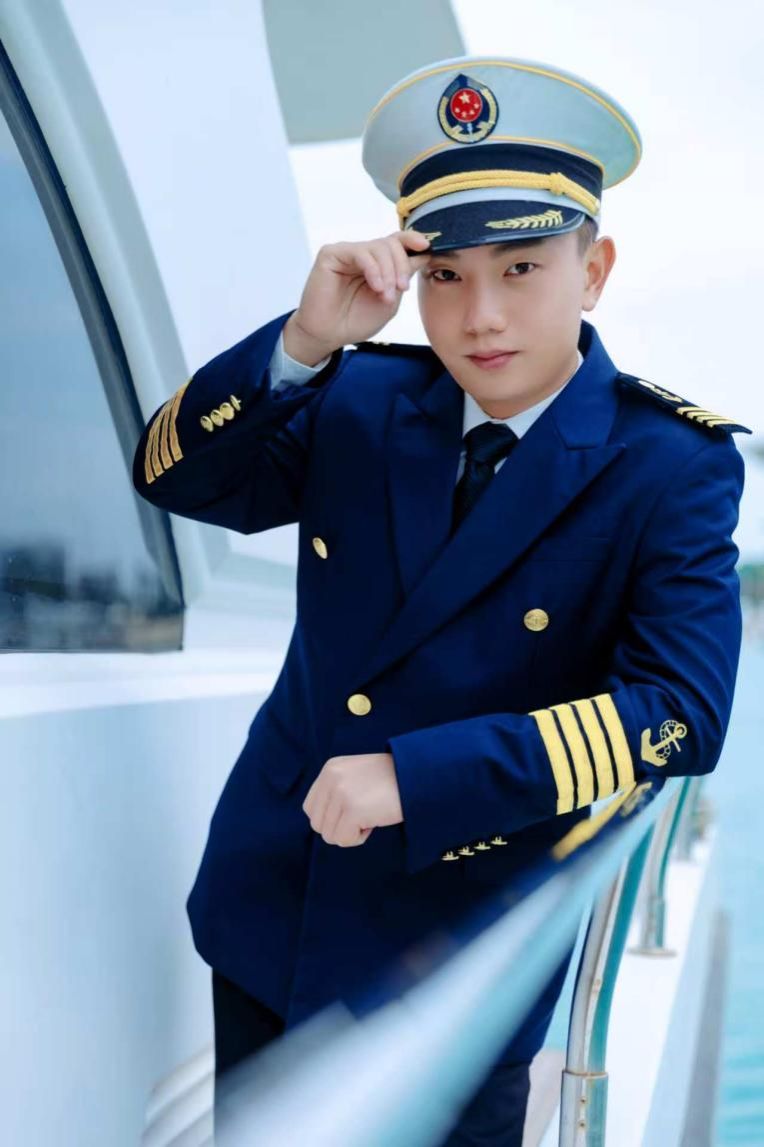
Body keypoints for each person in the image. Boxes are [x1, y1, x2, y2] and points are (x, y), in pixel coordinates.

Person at [132, 55, 749, 1146]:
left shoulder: (668, 463)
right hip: (275, 897)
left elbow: (679, 714)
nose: (479, 315)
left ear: (594, 269)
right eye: (446, 275)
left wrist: (417, 777)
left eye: (521, 268)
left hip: (456, 946)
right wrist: (303, 342)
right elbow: (173, 477)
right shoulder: (361, 399)